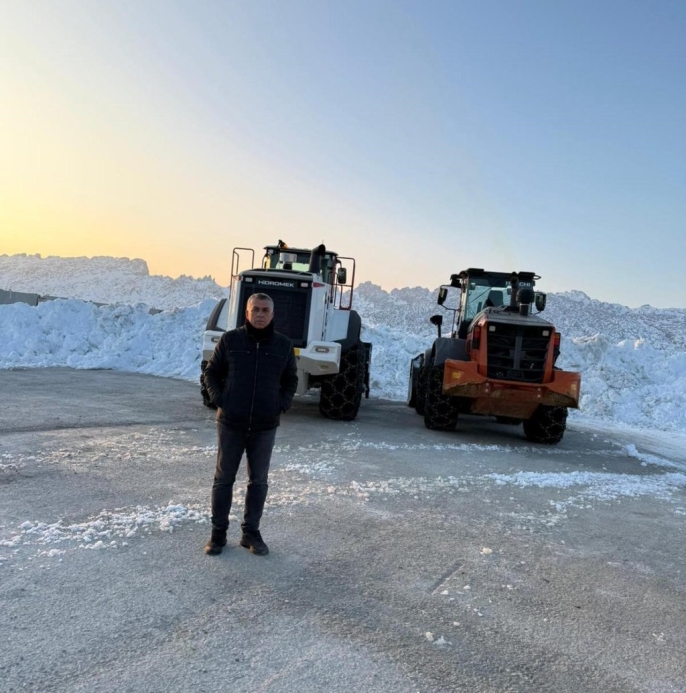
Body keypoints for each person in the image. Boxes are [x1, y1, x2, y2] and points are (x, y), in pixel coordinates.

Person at [202, 293, 298, 556]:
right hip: (231, 423)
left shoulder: (283, 345)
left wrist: (280, 404)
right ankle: (218, 534)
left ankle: (250, 533)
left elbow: (291, 379)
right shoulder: (230, 340)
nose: (260, 314)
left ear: (272, 314)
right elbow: (211, 371)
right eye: (255, 309)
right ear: (246, 313)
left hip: (264, 425)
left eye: (265, 310)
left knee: (258, 481)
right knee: (224, 479)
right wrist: (221, 399)